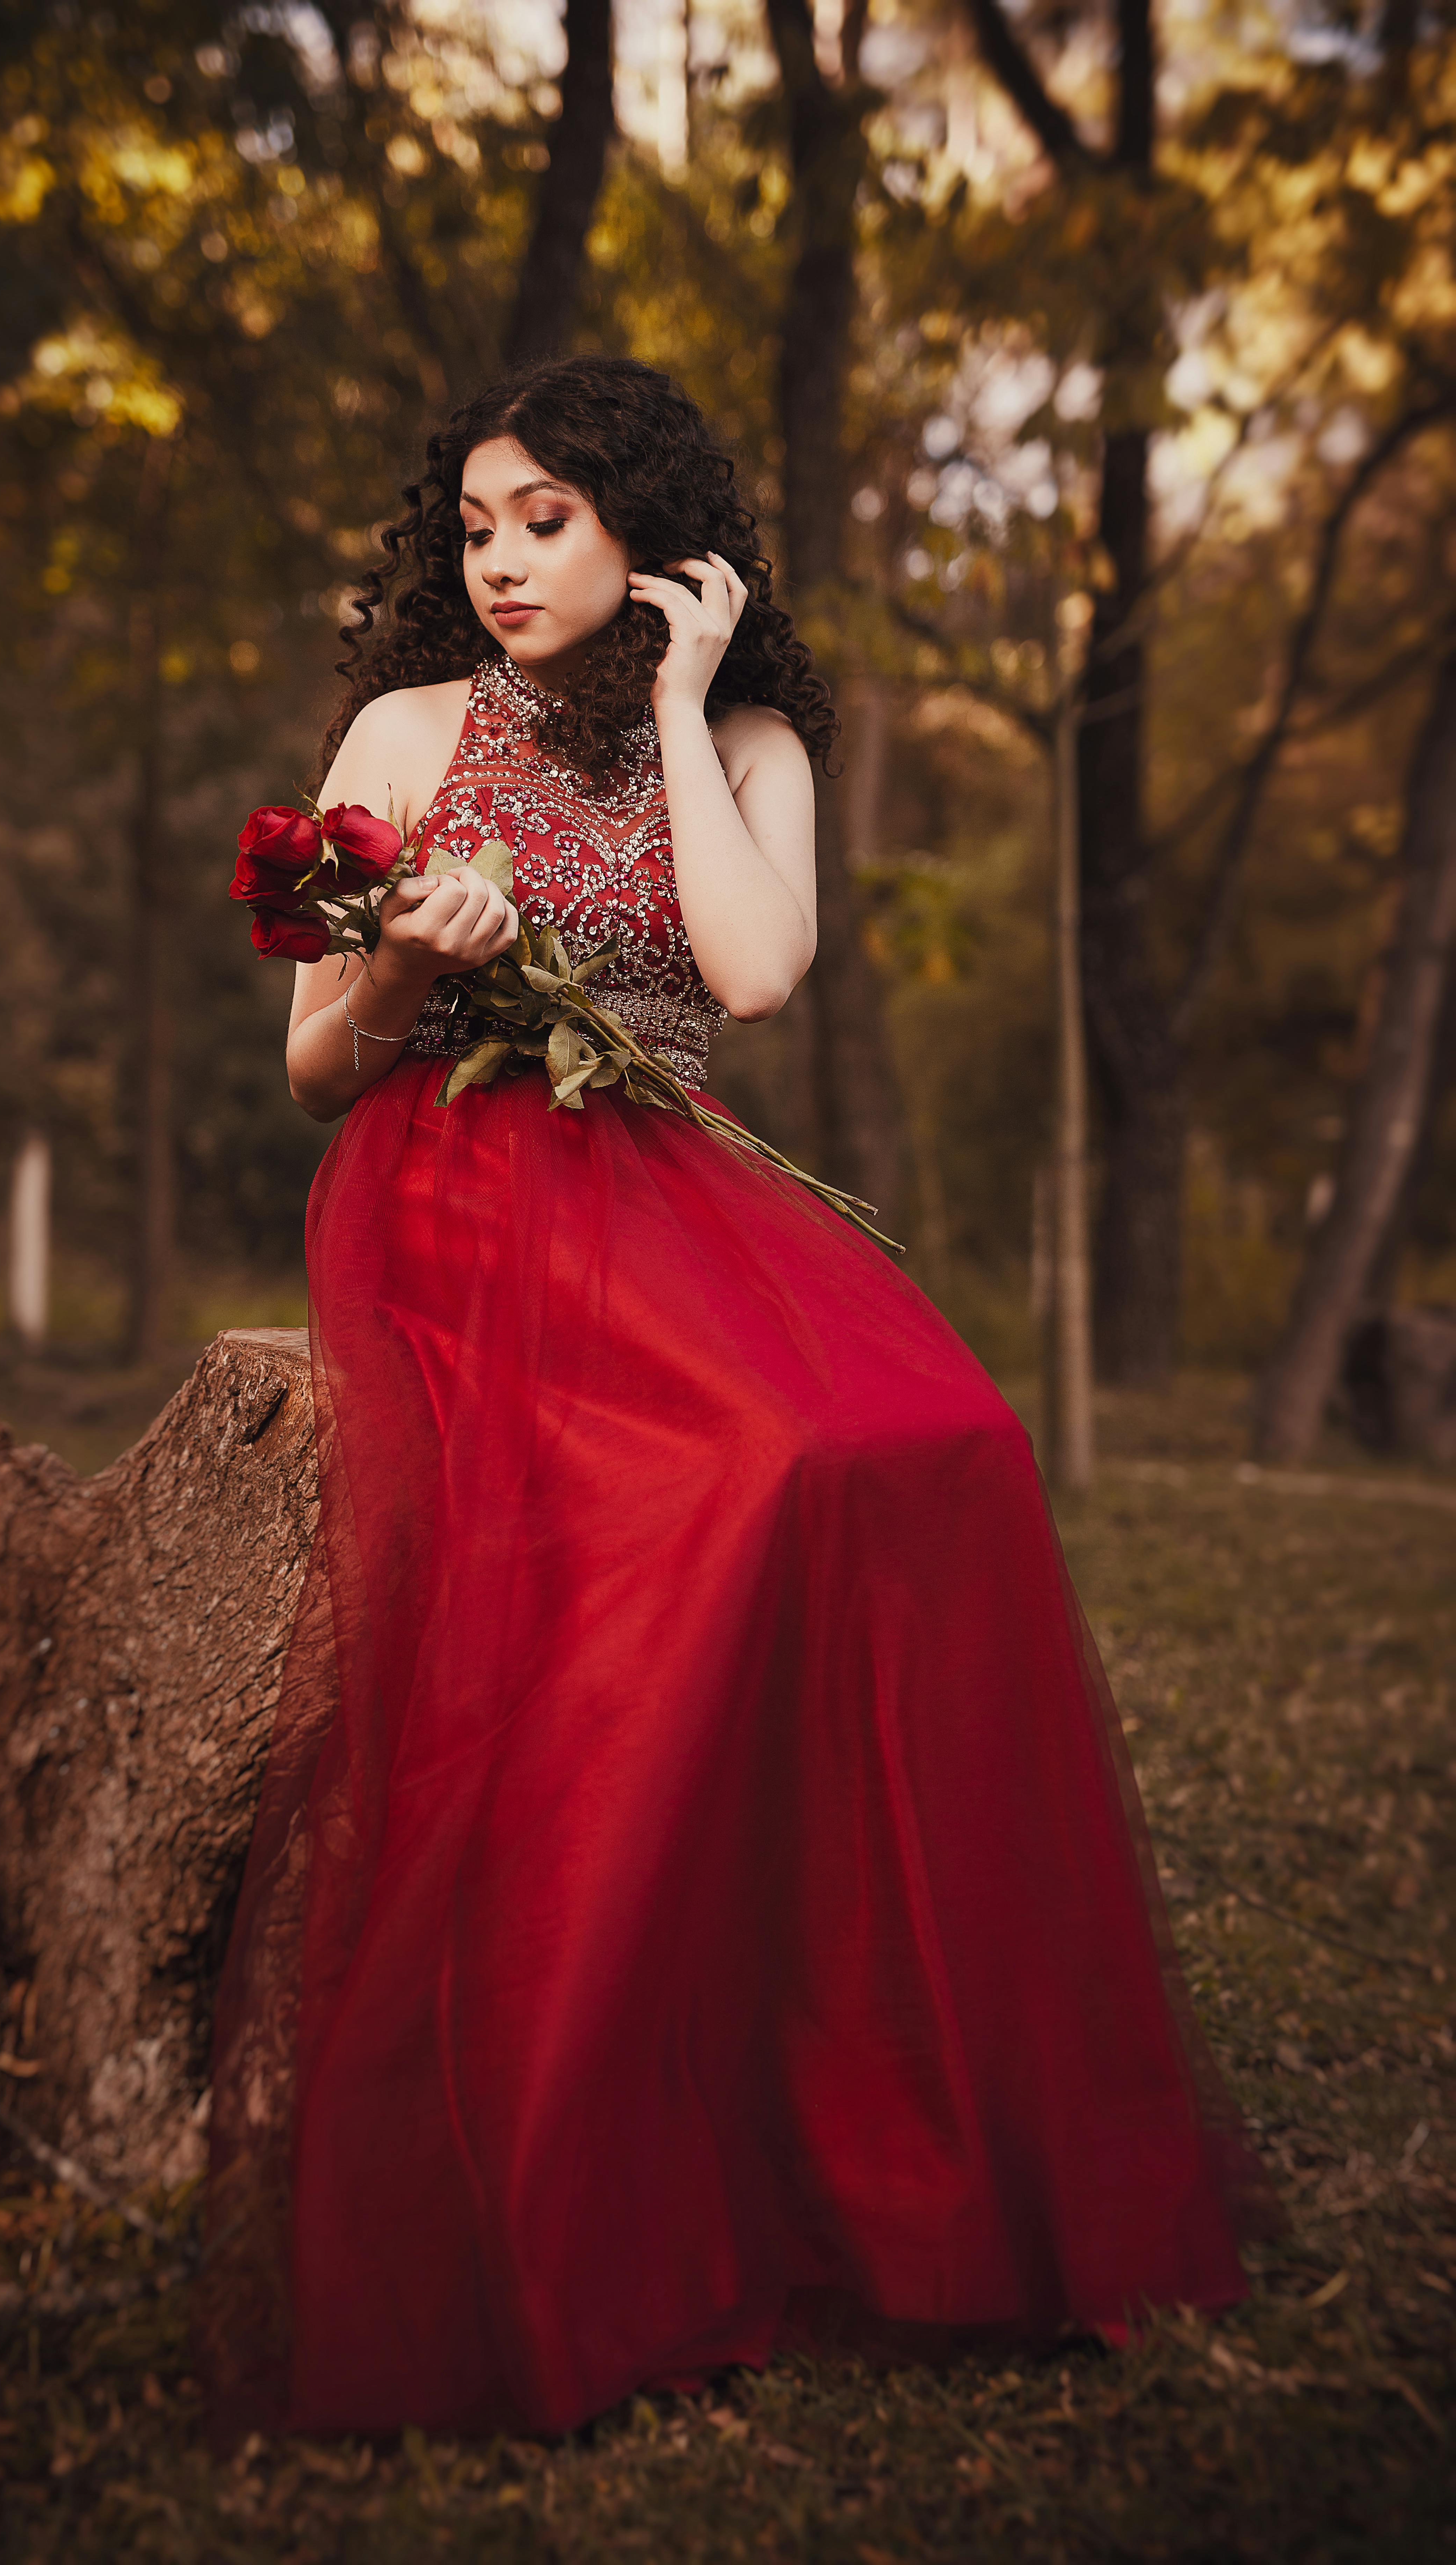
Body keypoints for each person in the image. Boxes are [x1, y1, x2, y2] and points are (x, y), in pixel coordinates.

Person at [200, 354, 1275, 2444]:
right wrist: (411, 961)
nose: (503, 562)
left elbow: (756, 977)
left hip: (671, 1178)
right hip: (461, 1171)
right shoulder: (409, 730)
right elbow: (319, 1071)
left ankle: (872, 2091)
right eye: (479, 527)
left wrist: (685, 708)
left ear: (655, 538)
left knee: (944, 1444)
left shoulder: (756, 736)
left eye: (551, 522)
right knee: (744, 1472)